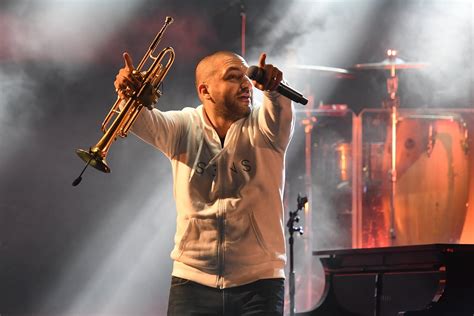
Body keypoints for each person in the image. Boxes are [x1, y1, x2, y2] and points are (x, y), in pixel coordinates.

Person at [114, 50, 294, 315]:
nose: (245, 84)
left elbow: (277, 108)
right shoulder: (182, 126)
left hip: (259, 284)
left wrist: (273, 89)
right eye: (233, 77)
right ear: (205, 91)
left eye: (246, 76)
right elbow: (139, 120)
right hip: (192, 282)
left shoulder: (266, 127)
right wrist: (126, 93)